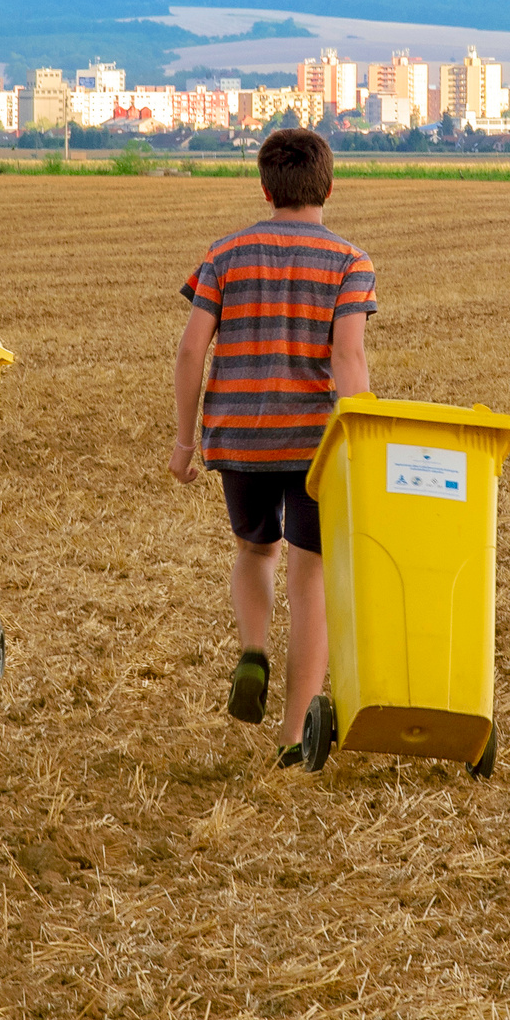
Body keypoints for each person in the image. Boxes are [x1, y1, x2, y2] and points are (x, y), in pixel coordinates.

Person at [169, 127, 376, 766]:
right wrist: (361, 438)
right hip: (313, 445)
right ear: (329, 187)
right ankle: (293, 737)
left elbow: (188, 350)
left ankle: (252, 650)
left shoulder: (224, 254)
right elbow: (348, 358)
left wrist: (185, 441)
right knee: (308, 573)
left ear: (265, 188)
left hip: (238, 437)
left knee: (255, 550)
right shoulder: (349, 261)